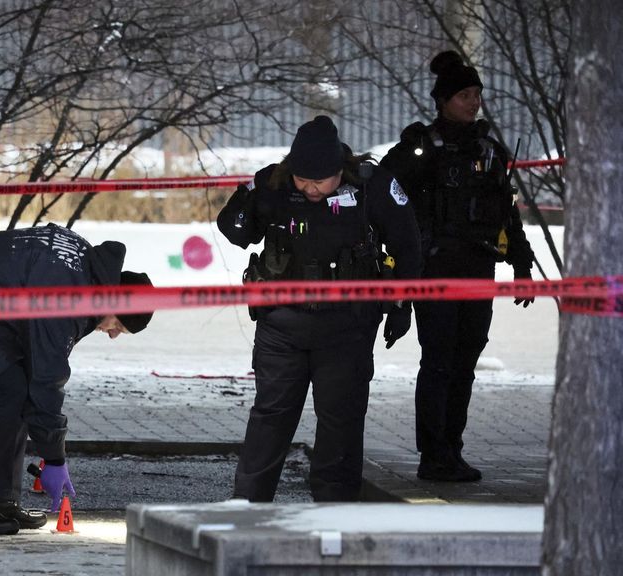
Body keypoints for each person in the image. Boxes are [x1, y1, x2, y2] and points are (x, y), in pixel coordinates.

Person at [217, 115, 422, 502]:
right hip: (282, 325)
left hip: (347, 327)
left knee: (340, 423)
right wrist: (252, 192)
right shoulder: (275, 183)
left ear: (338, 171)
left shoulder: (370, 185)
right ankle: (247, 506)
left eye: (320, 180)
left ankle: (335, 510)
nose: (311, 188)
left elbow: (408, 243)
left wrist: (400, 304)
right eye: (303, 179)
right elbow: (234, 230)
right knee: (270, 418)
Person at [0, 223, 153, 535]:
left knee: (16, 390)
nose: (112, 334)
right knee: (4, 394)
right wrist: (54, 459)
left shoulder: (84, 268)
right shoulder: (72, 295)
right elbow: (48, 378)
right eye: (118, 325)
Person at [380, 51, 535, 482]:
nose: (474, 102)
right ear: (444, 100)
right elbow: (385, 197)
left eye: (478, 94)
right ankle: (433, 455)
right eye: (465, 94)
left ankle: (452, 449)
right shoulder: (423, 146)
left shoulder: (489, 150)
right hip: (435, 273)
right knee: (439, 363)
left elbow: (508, 215)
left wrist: (522, 267)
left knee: (465, 363)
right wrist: (398, 264)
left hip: (478, 272)